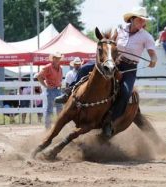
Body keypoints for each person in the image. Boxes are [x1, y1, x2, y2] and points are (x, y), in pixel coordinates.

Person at [55, 7, 157, 137]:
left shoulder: (146, 36)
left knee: (125, 92)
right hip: (113, 62)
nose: (142, 22)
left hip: (129, 68)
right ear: (132, 19)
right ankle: (68, 92)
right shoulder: (120, 30)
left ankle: (110, 122)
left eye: (143, 20)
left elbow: (152, 53)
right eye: (139, 19)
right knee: (84, 68)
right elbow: (110, 43)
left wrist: (153, 59)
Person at [37, 52, 63, 129]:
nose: (58, 59)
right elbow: (39, 76)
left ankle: (59, 127)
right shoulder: (48, 67)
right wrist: (45, 85)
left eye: (59, 58)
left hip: (58, 90)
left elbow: (59, 79)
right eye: (56, 58)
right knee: (50, 109)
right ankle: (48, 128)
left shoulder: (60, 68)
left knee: (60, 109)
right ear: (53, 58)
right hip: (51, 90)